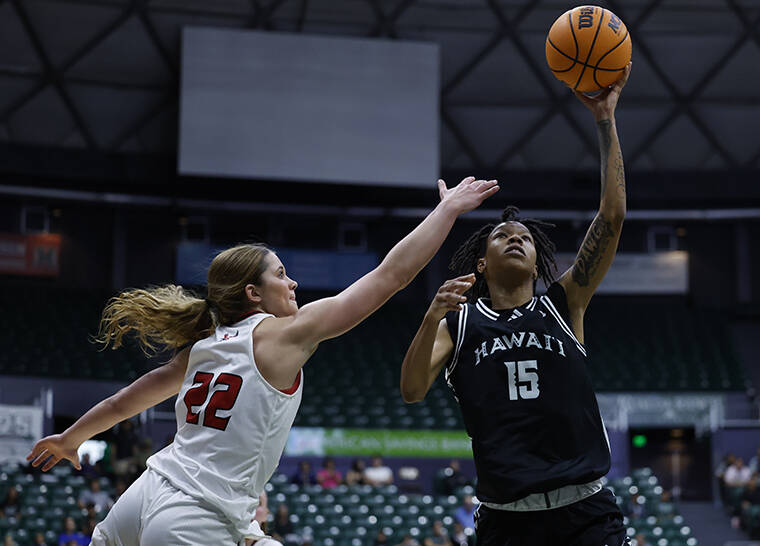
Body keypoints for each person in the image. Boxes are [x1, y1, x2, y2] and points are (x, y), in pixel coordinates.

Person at [27, 176, 499, 546]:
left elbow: (120, 405)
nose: (292, 284)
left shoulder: (201, 347)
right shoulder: (285, 335)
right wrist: (448, 209)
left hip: (142, 496)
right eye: (281, 274)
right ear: (254, 293)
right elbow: (391, 275)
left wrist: (72, 439)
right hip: (197, 514)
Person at [400, 65, 632, 546]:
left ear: (537, 260)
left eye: (525, 238)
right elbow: (412, 390)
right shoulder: (460, 324)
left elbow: (611, 217)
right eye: (502, 235)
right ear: (481, 264)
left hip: (585, 509)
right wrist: (428, 319)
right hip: (506, 518)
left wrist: (605, 121)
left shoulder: (565, 304)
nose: (515, 239)